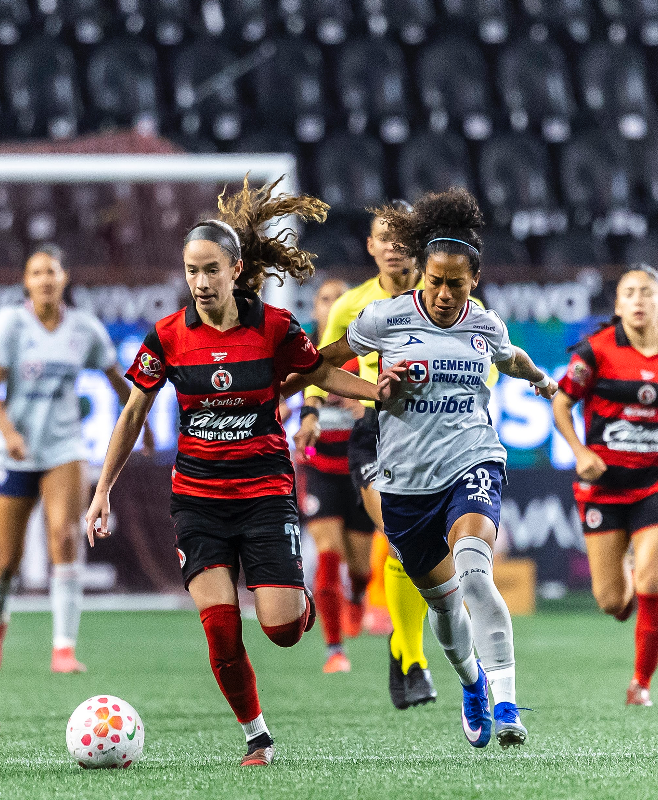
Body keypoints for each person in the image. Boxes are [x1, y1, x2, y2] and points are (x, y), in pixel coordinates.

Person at [84, 177, 403, 767]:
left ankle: (303, 605)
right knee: (221, 630)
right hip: (197, 502)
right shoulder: (169, 337)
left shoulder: (275, 327)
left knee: (281, 629)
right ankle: (256, 732)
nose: (200, 283)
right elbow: (134, 413)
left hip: (264, 495)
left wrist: (375, 391)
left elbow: (318, 374)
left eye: (211, 270)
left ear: (234, 269)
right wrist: (103, 490)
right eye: (191, 271)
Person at [335, 188, 556, 748]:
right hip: (406, 482)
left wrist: (537, 379)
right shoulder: (384, 319)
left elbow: (513, 359)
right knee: (446, 607)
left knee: (476, 574)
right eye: (434, 280)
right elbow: (321, 363)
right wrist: (369, 390)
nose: (442, 292)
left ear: (473, 281)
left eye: (455, 283)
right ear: (422, 275)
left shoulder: (485, 324)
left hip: (472, 460)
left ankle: (507, 704)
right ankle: (473, 683)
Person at [294, 201, 440, 709]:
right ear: (371, 246)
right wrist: (317, 409)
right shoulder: (350, 307)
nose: (395, 245)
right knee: (395, 541)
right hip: (373, 435)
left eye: (405, 236)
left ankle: (402, 653)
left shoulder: (447, 296)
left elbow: (482, 359)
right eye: (386, 236)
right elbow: (317, 368)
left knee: (413, 556)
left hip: (434, 435)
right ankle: (398, 659)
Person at [0, 244, 154, 674]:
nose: (44, 279)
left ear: (64, 278)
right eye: (36, 272)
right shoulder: (11, 324)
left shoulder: (84, 329)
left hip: (65, 448)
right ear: (26, 282)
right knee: (7, 560)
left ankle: (63, 647)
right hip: (15, 451)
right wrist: (8, 432)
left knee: (64, 537)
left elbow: (119, 380)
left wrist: (141, 422)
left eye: (51, 271)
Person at [552, 265, 658, 707]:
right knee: (612, 603)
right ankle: (622, 574)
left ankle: (640, 683)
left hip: (655, 480)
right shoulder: (596, 351)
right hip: (602, 486)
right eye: (630, 293)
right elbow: (562, 402)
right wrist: (580, 452)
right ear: (618, 305)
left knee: (652, 577)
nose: (639, 300)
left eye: (647, 292)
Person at [295, 277, 377, 674]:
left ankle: (359, 596)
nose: (330, 305)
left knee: (361, 567)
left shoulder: (364, 351)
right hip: (318, 468)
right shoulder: (298, 351)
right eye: (324, 299)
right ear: (315, 309)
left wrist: (363, 404)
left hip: (361, 467)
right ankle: (334, 649)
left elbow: (385, 397)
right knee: (329, 554)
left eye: (338, 299)